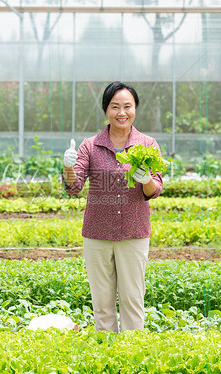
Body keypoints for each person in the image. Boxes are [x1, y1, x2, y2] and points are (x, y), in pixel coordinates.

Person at [62, 81, 163, 333]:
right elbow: (74, 186)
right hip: (97, 234)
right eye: (115, 106)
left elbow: (156, 190)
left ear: (135, 109)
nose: (121, 112)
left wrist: (146, 179)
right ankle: (107, 355)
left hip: (134, 233)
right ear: (106, 110)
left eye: (127, 106)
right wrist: (67, 167)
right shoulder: (91, 145)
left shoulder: (148, 144)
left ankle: (131, 354)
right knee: (102, 303)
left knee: (132, 300)